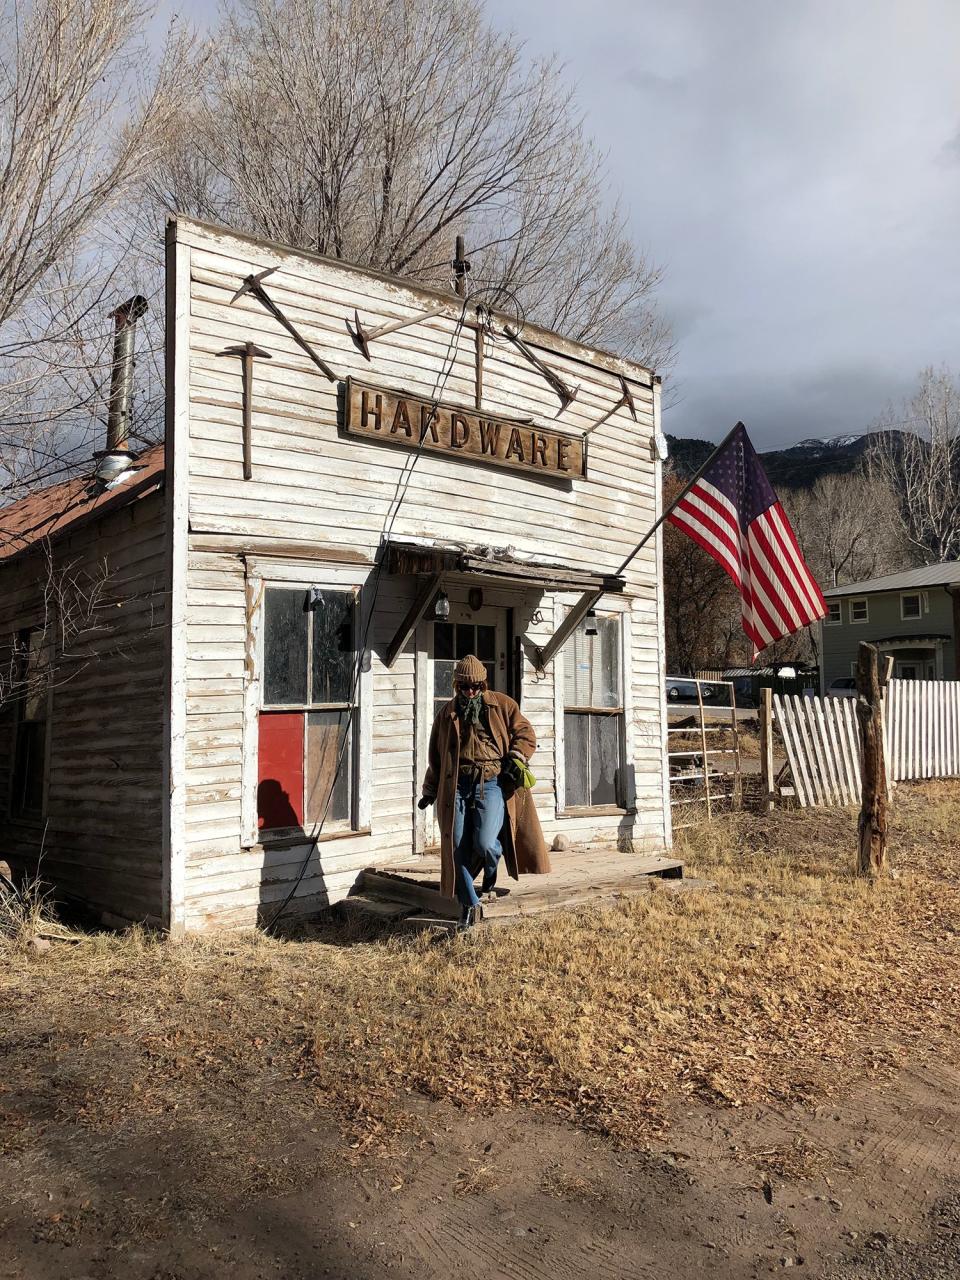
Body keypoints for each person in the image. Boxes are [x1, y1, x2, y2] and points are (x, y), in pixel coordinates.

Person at [419, 654, 550, 929]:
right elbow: (437, 758)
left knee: (485, 843)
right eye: (465, 687)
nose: (471, 692)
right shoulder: (446, 715)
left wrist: (517, 756)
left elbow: (526, 734)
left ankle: (492, 868)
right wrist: (430, 790)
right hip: (456, 786)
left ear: (484, 684)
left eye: (476, 686)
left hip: (490, 783)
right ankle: (469, 905)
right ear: (457, 686)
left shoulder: (502, 705)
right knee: (455, 846)